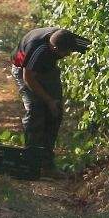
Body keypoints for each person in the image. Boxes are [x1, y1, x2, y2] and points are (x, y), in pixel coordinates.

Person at [10, 27, 90, 173]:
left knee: (55, 112)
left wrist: (53, 103)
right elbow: (28, 78)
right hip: (24, 71)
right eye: (66, 53)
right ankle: (31, 162)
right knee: (35, 111)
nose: (69, 54)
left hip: (47, 69)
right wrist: (48, 100)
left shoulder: (66, 39)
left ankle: (47, 164)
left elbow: (92, 46)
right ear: (54, 48)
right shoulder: (37, 49)